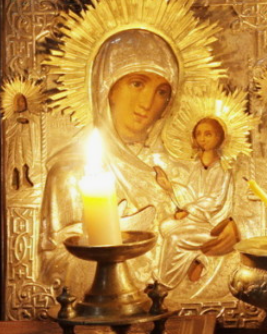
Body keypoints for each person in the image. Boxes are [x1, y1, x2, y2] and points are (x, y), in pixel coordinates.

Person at [39, 28, 179, 286]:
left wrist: (220, 235)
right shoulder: (70, 172)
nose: (147, 103)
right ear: (108, 86)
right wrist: (109, 243)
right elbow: (53, 268)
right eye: (137, 84)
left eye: (162, 92)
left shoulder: (175, 169)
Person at [158, 117, 237, 288]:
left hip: (212, 223)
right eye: (199, 134)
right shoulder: (196, 165)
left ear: (219, 137)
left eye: (208, 134)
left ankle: (164, 284)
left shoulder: (222, 168)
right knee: (165, 226)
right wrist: (170, 187)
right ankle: (199, 258)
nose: (203, 138)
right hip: (194, 219)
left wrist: (189, 211)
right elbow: (190, 192)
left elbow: (215, 200)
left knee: (175, 238)